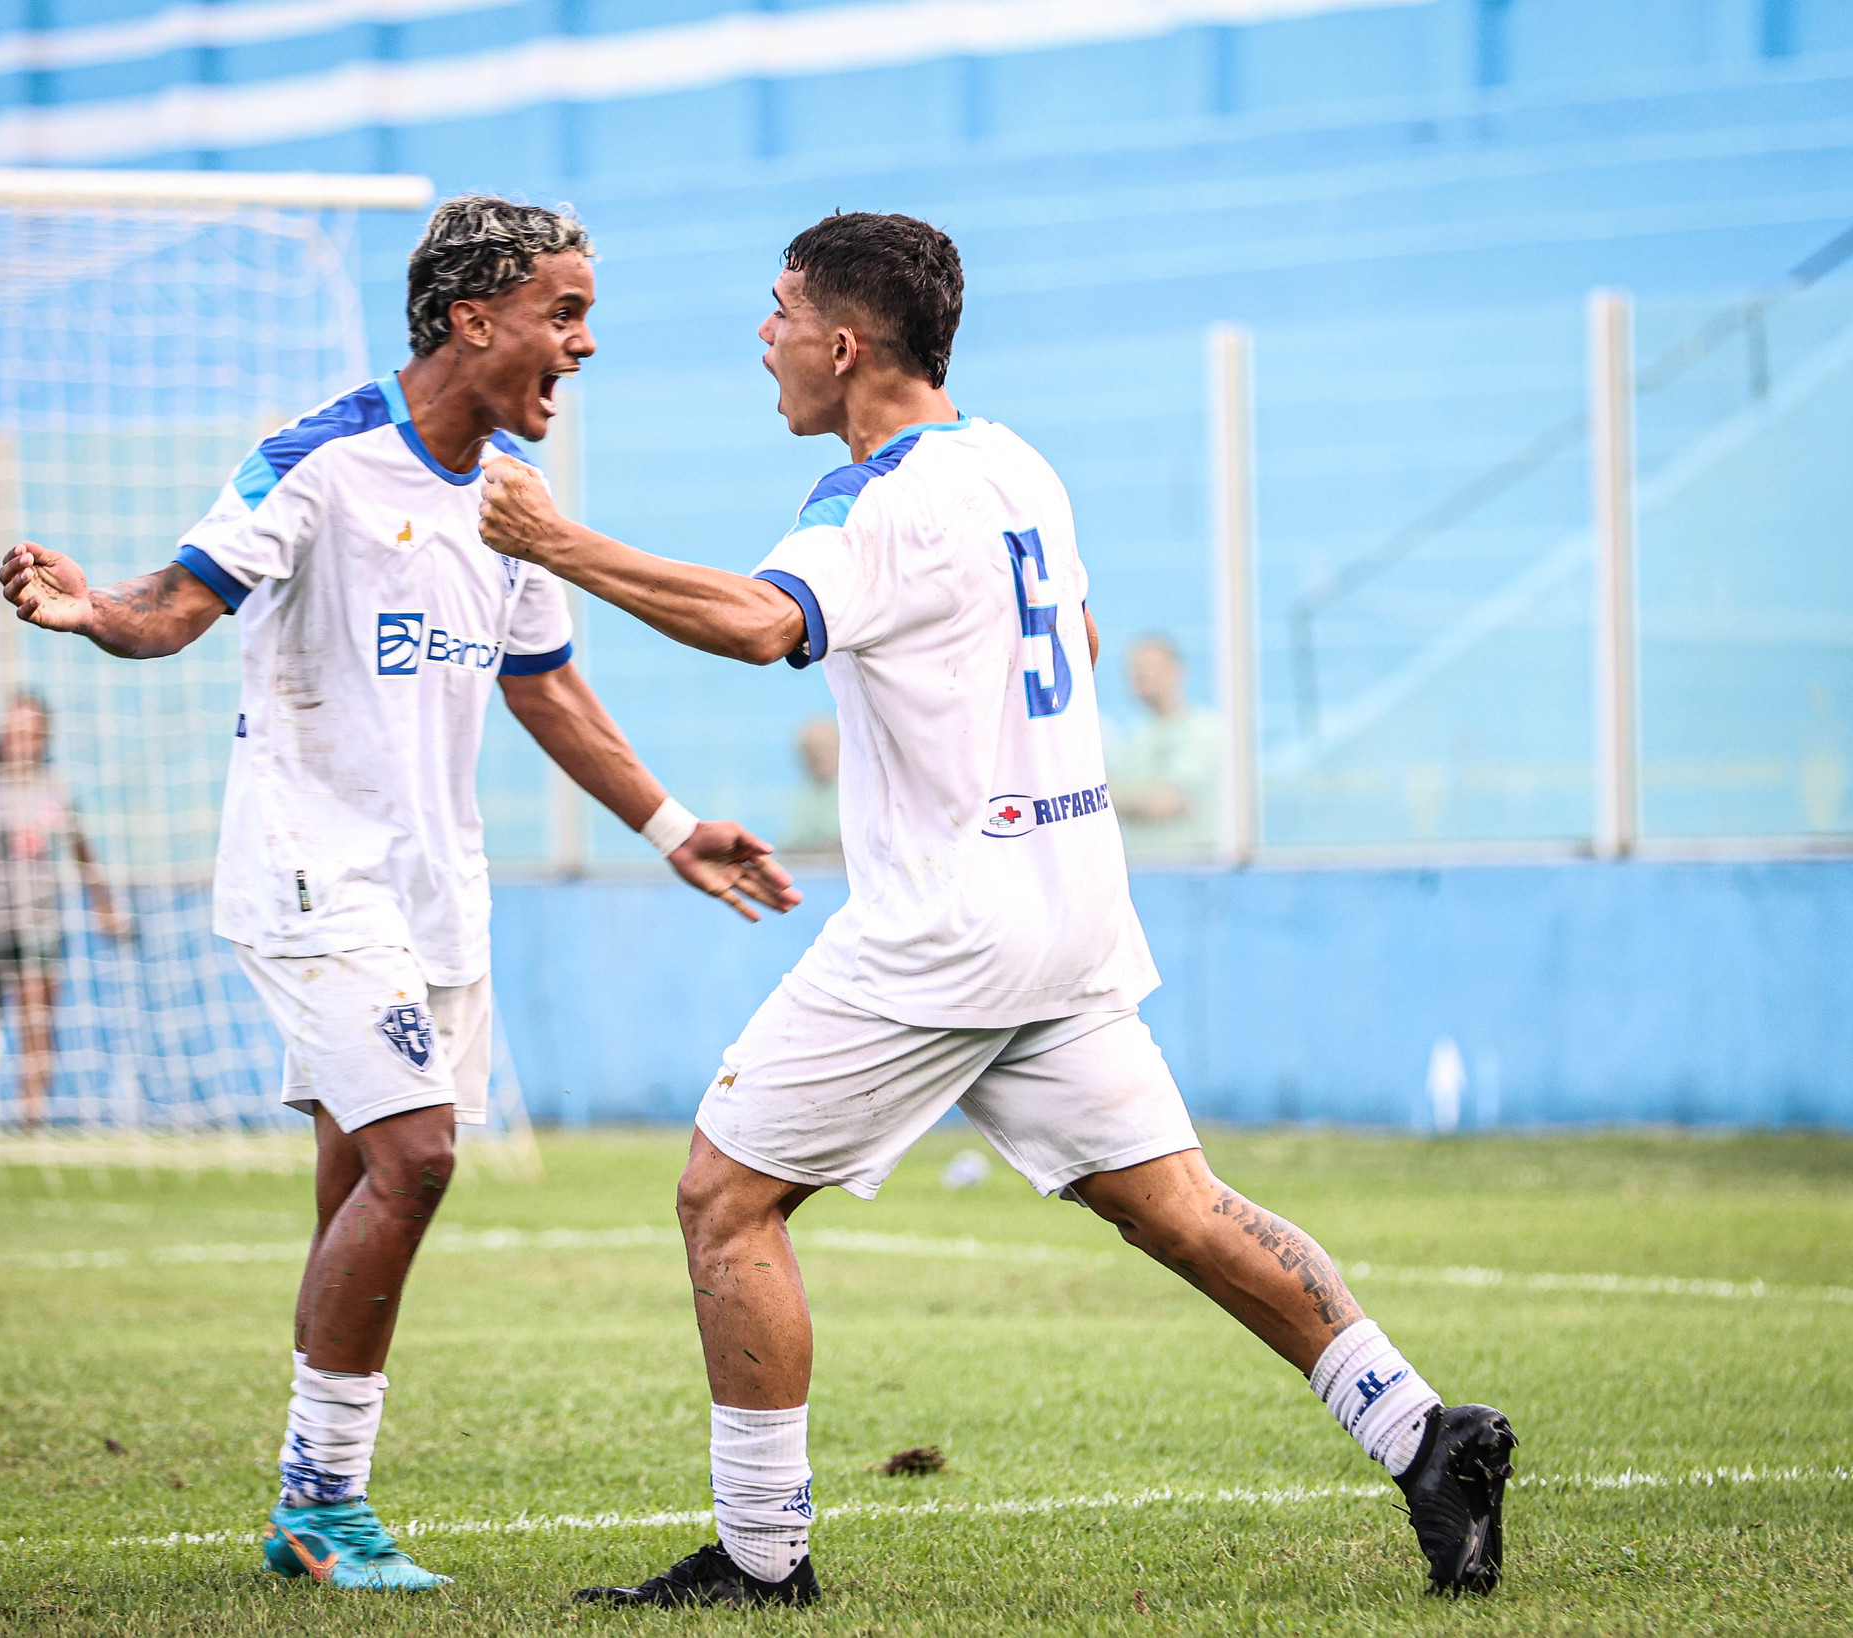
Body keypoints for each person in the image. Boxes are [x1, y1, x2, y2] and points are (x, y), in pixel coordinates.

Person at [478, 211, 1516, 1608]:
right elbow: (1069, 636)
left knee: (723, 1200)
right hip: (1066, 902)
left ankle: (759, 1558)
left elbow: (760, 623)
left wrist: (554, 540)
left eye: (779, 311)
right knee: (1177, 1206)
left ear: (843, 345)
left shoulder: (871, 504)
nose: (764, 337)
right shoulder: (1016, 464)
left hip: (947, 928)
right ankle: (1423, 1435)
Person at [0, 196, 799, 1593]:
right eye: (563, 313)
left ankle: (312, 1505)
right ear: (470, 319)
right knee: (417, 1158)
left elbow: (546, 690)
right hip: (313, 872)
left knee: (358, 1176)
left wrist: (670, 827)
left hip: (436, 889)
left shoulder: (510, 499)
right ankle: (323, 1503)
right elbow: (176, 603)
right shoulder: (320, 460)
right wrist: (94, 611)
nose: (583, 344)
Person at [0, 690, 127, 1130]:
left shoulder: (54, 787)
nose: (23, 738)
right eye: (16, 729)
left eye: (32, 731)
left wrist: (103, 905)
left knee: (37, 1019)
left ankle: (31, 1116)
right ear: (2, 731)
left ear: (45, 737)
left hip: (41, 918)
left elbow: (81, 849)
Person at [1106, 634, 1222, 858]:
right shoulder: (1135, 736)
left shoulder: (1203, 730)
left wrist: (1118, 799)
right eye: (1136, 671)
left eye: (1151, 668)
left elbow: (1164, 803)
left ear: (1177, 671)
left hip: (1192, 867)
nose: (1143, 676)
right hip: (1142, 866)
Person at [782, 716, 841, 858]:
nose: (819, 756)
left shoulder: (859, 795)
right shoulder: (802, 800)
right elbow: (789, 846)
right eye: (811, 750)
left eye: (825, 748)